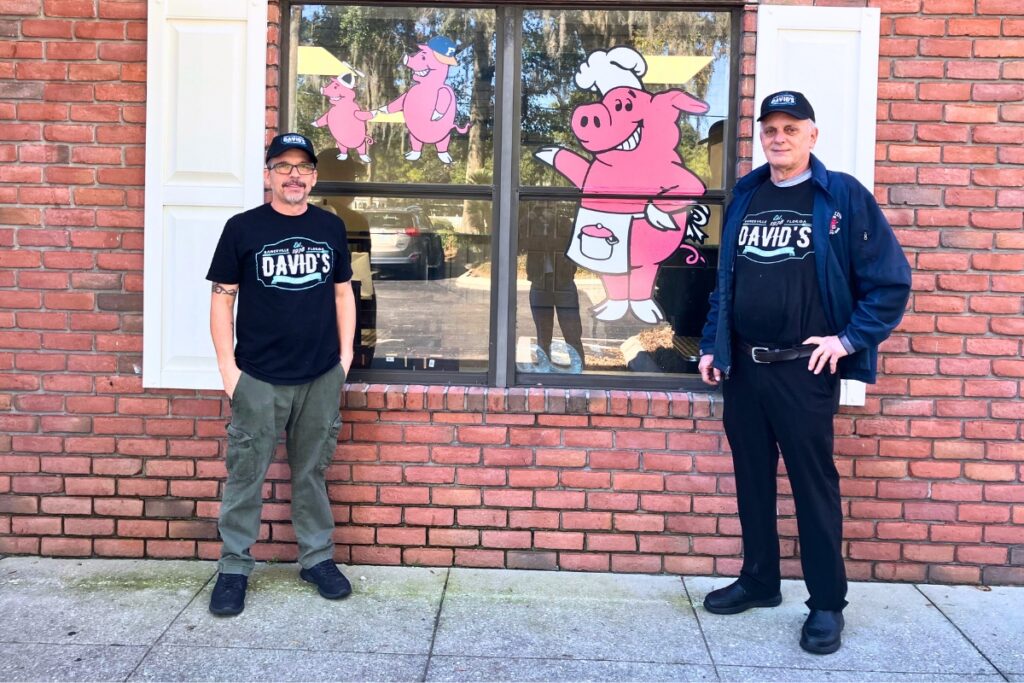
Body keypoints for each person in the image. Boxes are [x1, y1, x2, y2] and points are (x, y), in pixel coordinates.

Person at [698, 92, 911, 654]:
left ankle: (826, 604)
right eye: (770, 128)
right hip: (744, 368)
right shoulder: (746, 195)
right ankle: (759, 581)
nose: (779, 137)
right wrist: (713, 344)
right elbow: (725, 282)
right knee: (751, 479)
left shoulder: (841, 196)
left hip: (804, 370)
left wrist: (848, 340)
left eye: (791, 128)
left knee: (813, 488)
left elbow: (890, 283)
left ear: (812, 135)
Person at [205, 132, 357, 616]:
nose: (294, 175)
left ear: (313, 176)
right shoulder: (242, 228)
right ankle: (234, 568)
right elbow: (222, 298)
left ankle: (317, 559)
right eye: (284, 166)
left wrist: (345, 358)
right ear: (268, 174)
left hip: (320, 375)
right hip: (257, 376)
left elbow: (343, 293)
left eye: (303, 167)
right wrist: (228, 369)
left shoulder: (331, 227)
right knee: (245, 474)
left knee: (311, 472)